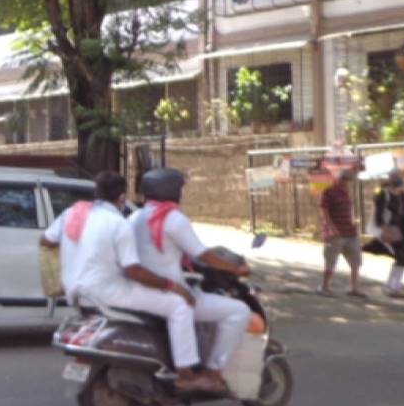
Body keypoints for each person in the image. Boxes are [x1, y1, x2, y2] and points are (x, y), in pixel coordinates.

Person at [126, 168, 253, 392]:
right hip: (170, 291)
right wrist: (236, 268)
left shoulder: (135, 216)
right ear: (173, 191)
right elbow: (202, 254)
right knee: (239, 311)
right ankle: (212, 372)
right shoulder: (173, 219)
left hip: (143, 290)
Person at [69, 176, 200, 384]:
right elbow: (134, 271)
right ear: (122, 198)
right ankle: (186, 373)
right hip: (110, 291)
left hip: (81, 291)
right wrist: (173, 286)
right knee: (180, 305)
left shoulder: (84, 218)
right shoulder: (119, 223)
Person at [40, 171, 128, 307]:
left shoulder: (73, 212)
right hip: (103, 292)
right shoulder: (117, 221)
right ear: (122, 198)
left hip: (72, 289)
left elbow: (46, 240)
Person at [318, 165, 366, 298]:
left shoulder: (346, 193)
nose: (347, 183)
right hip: (335, 233)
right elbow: (324, 211)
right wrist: (332, 228)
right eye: (345, 180)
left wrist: (353, 221)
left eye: (349, 180)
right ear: (338, 179)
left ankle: (353, 287)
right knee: (331, 261)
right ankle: (324, 286)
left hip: (349, 231)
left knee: (356, 261)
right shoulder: (328, 192)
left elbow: (347, 210)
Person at [373, 171, 404, 296]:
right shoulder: (382, 194)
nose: (400, 180)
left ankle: (394, 285)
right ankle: (391, 286)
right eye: (398, 178)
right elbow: (379, 212)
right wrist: (384, 229)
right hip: (393, 229)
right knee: (401, 257)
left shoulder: (402, 194)